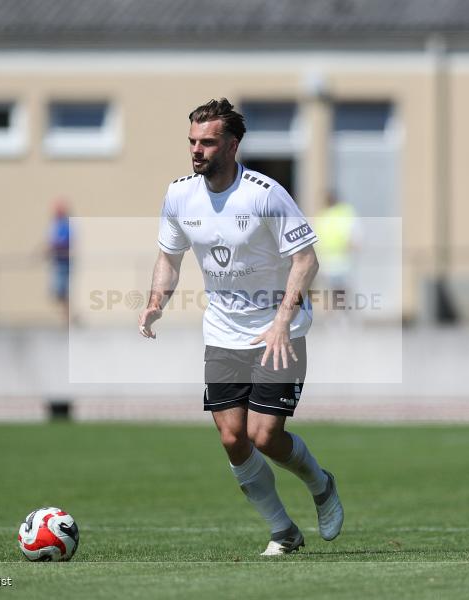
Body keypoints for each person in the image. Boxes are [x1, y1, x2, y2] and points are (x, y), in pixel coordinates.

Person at [138, 98, 343, 555]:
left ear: (232, 145)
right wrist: (156, 302)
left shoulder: (264, 193)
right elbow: (168, 258)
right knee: (233, 437)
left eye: (207, 142)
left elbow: (306, 259)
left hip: (278, 332)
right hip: (222, 335)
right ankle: (283, 531)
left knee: (265, 435)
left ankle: (320, 483)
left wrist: (281, 320)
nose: (196, 151)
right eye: (192, 141)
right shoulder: (178, 195)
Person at [47, 198, 71, 322]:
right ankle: (67, 318)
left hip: (64, 263)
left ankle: (68, 319)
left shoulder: (65, 225)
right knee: (58, 294)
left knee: (63, 293)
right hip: (57, 263)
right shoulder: (55, 224)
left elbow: (61, 242)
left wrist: (49, 249)